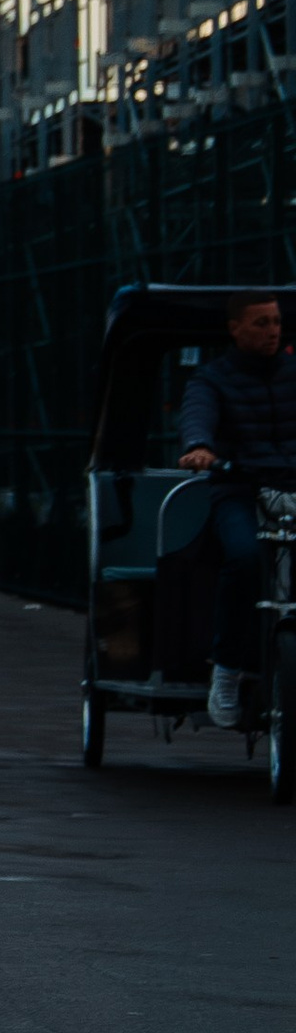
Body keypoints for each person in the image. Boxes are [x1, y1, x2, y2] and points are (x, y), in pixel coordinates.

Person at [180, 290, 296, 728]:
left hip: (293, 486)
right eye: (261, 323)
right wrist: (199, 446)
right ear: (235, 329)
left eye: (276, 321)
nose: (273, 331)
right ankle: (226, 671)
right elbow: (197, 414)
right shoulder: (213, 379)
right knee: (245, 558)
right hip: (240, 489)